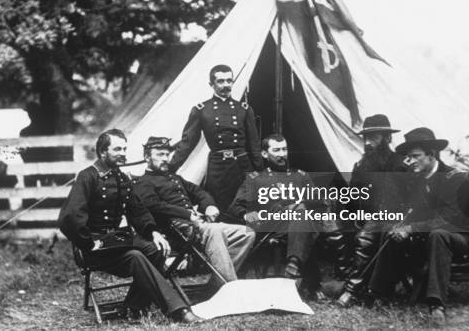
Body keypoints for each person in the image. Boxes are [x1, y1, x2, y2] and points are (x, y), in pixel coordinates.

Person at [58, 129, 202, 323]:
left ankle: (132, 308)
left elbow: (138, 211)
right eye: (117, 149)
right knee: (136, 257)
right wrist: (88, 243)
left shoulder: (121, 178)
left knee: (157, 249)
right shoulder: (87, 177)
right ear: (103, 152)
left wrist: (154, 233)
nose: (123, 153)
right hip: (92, 247)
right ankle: (178, 310)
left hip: (115, 241)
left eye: (125, 148)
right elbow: (69, 218)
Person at [368, 127, 469, 324]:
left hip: (464, 237)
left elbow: (450, 219)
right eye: (408, 157)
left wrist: (412, 229)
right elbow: (416, 212)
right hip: (431, 235)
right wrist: (402, 226)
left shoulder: (454, 178)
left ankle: (436, 305)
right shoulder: (419, 179)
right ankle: (381, 293)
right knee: (391, 230)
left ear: (431, 155)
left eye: (415, 156)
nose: (410, 161)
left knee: (439, 234)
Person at [134, 136, 256, 287]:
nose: (165, 158)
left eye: (167, 154)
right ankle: (230, 286)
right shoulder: (143, 182)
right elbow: (154, 205)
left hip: (199, 226)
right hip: (177, 230)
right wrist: (187, 214)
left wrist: (209, 206)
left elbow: (199, 192)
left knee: (247, 232)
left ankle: (219, 283)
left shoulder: (175, 177)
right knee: (214, 231)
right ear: (147, 157)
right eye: (160, 154)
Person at [229, 134, 326, 298]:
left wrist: (304, 205)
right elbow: (235, 206)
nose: (282, 154)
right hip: (271, 227)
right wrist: (253, 218)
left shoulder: (300, 176)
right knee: (303, 221)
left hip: (300, 224)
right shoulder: (256, 179)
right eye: (277, 150)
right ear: (265, 154)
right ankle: (305, 276)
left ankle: (293, 264)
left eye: (285, 149)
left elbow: (319, 203)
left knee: (302, 215)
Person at [170, 64, 263, 218]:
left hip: (242, 166)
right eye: (220, 81)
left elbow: (254, 145)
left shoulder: (244, 109)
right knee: (220, 209)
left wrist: (260, 171)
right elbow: (188, 143)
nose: (226, 85)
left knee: (245, 209)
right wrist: (170, 168)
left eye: (229, 80)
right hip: (218, 168)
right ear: (211, 84)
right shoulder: (201, 110)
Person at [336, 114, 409, 307]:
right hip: (364, 217)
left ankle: (352, 289)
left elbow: (406, 199)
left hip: (394, 219)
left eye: (374, 138)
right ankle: (350, 281)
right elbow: (352, 198)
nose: (368, 143)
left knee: (366, 236)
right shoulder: (361, 166)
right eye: (366, 138)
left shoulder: (400, 164)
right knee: (333, 229)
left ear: (387, 138)